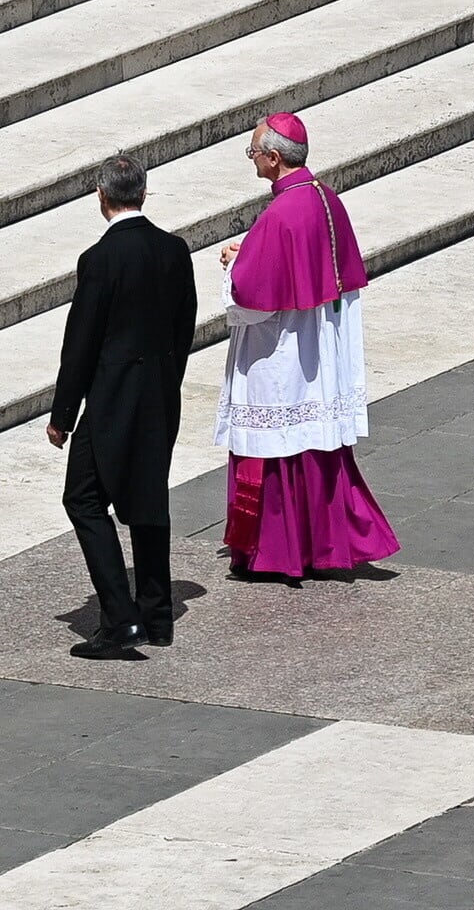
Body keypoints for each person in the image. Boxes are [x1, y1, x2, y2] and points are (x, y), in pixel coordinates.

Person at [215, 114, 401, 581]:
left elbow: (249, 300)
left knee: (276, 450)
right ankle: (319, 547)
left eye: (254, 152)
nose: (252, 159)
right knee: (312, 450)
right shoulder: (324, 198)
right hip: (316, 352)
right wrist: (250, 253)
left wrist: (233, 267)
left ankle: (275, 553)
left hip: (280, 356)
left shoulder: (281, 212)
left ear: (274, 158)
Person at [47, 156, 194, 660]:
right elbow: (184, 327)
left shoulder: (100, 259)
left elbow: (81, 343)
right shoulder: (174, 250)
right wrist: (165, 382)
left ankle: (120, 617)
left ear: (102, 196)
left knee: (83, 499)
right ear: (144, 194)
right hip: (159, 397)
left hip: (111, 400)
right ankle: (157, 615)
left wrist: (62, 416)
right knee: (149, 499)